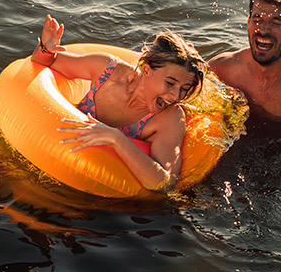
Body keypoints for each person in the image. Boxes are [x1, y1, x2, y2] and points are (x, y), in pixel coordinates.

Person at [32, 14, 207, 192]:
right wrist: (46, 48)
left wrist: (116, 139)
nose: (177, 95)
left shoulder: (170, 118)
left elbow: (164, 183)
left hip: (96, 192)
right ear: (147, 70)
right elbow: (45, 62)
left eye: (184, 88)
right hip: (48, 154)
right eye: (170, 83)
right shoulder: (106, 71)